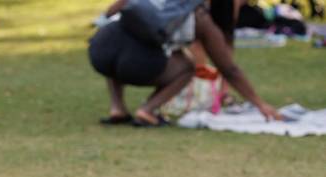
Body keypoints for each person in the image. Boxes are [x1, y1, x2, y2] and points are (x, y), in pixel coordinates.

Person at [89, 0, 281, 126]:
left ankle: (117, 108)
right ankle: (147, 111)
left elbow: (111, 11)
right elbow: (228, 68)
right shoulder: (200, 16)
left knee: (122, 40)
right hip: (136, 64)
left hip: (99, 51)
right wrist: (260, 104)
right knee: (188, 67)